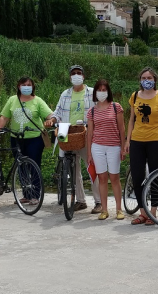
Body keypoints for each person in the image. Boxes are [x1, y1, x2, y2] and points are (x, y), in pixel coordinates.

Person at [0, 77, 54, 204]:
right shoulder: (12, 100)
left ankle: (35, 194)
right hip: (16, 138)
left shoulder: (38, 101)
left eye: (29, 84)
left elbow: (50, 115)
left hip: (35, 139)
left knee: (34, 165)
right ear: (18, 86)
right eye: (23, 84)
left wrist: (51, 120)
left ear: (33, 87)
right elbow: (4, 117)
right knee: (20, 166)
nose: (26, 87)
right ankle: (26, 194)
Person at [125, 67, 158, 226]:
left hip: (156, 141)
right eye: (144, 77)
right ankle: (142, 213)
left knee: (155, 176)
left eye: (150, 77)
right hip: (137, 141)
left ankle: (153, 213)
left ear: (154, 80)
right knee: (137, 177)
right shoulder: (134, 96)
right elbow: (131, 120)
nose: (147, 80)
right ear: (140, 80)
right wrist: (127, 141)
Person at [52, 65, 101, 213]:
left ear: (83, 76)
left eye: (79, 73)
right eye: (73, 73)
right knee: (74, 170)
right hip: (69, 135)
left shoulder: (92, 92)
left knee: (91, 167)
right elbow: (58, 111)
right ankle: (80, 200)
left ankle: (99, 201)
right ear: (70, 77)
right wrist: (53, 119)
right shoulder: (65, 94)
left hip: (86, 135)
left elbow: (99, 111)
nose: (76, 76)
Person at [86, 79, 126, 220]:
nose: (101, 92)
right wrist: (89, 153)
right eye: (99, 90)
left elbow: (122, 129)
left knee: (114, 178)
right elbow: (90, 133)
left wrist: (123, 147)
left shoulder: (116, 107)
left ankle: (119, 209)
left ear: (108, 92)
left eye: (104, 90)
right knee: (102, 178)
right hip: (97, 146)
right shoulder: (92, 111)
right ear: (95, 92)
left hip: (114, 146)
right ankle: (104, 209)